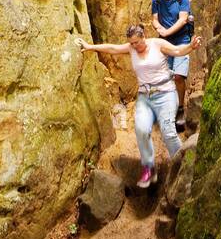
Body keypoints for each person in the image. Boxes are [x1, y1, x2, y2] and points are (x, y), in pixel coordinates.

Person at [81, 24, 202, 188]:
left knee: (168, 131)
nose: (134, 46)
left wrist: (190, 46)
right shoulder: (131, 49)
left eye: (137, 42)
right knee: (141, 129)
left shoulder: (157, 44)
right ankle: (149, 168)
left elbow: (178, 51)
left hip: (166, 94)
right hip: (145, 98)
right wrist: (89, 47)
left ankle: (182, 164)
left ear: (144, 36)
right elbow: (112, 48)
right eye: (131, 43)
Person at [151, 0, 193, 129]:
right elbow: (154, 19)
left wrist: (167, 32)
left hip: (182, 40)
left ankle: (181, 109)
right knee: (166, 77)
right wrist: (159, 28)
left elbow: (183, 20)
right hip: (165, 43)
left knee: (178, 76)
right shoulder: (157, 0)